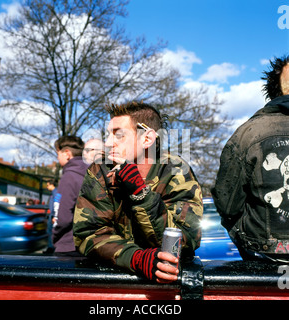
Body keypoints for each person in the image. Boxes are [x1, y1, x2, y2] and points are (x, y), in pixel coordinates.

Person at [73, 101, 203, 283]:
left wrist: (140, 192)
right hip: (114, 281)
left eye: (118, 135)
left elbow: (186, 239)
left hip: (170, 283)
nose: (108, 143)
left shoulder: (175, 170)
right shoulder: (100, 170)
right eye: (108, 135)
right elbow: (88, 234)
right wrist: (136, 258)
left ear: (147, 139)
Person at [211, 56, 289, 262]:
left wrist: (248, 238)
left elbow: (227, 205)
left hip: (265, 255)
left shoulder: (248, 132)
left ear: (273, 91)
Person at [52, 135, 89, 256]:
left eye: (58, 154)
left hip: (68, 246)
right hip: (88, 244)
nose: (57, 158)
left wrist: (54, 233)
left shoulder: (69, 177)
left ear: (67, 153)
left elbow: (63, 218)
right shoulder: (91, 174)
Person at [44, 179, 58, 254]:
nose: (47, 187)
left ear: (51, 185)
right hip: (52, 215)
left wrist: (54, 216)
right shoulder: (54, 193)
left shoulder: (55, 193)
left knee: (50, 231)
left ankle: (51, 247)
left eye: (47, 185)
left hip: (53, 215)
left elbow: (56, 205)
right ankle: (51, 247)